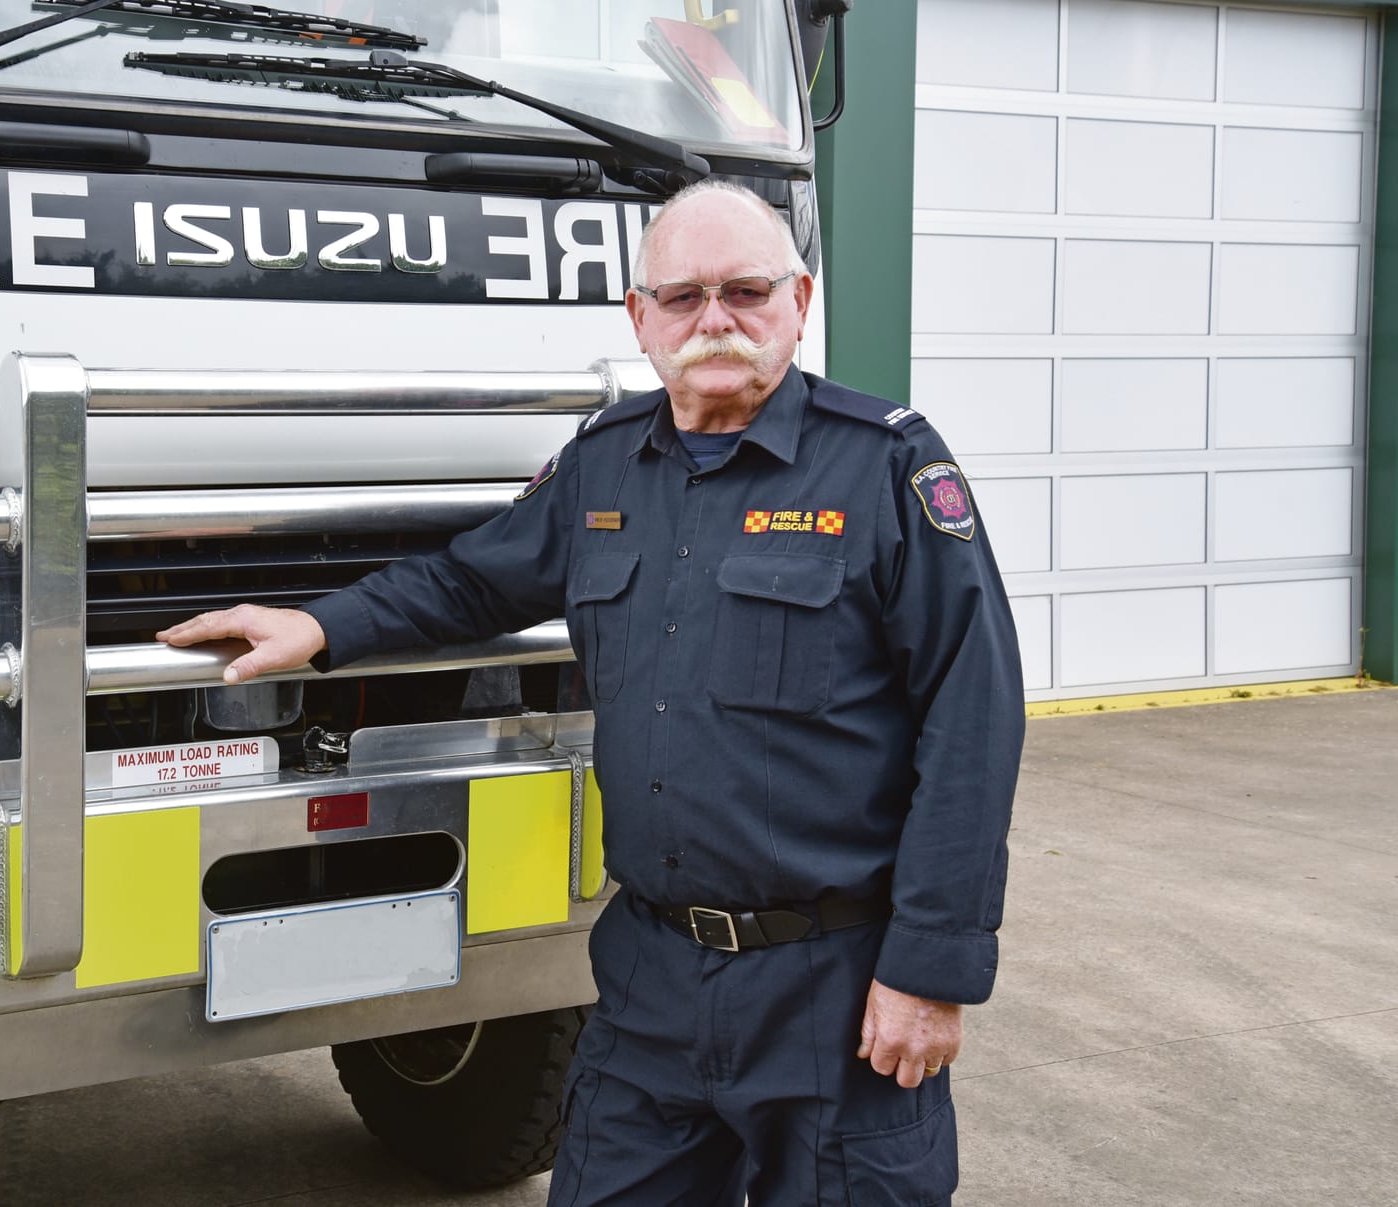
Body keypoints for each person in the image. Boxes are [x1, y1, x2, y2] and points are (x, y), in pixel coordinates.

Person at [158, 181, 1024, 1205]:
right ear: (639, 316)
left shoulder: (882, 468)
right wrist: (320, 628)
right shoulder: (606, 462)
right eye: (682, 295)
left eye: (745, 291)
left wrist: (928, 971)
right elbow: (474, 580)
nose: (714, 319)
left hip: (831, 989)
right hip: (650, 978)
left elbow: (970, 725)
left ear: (796, 301)